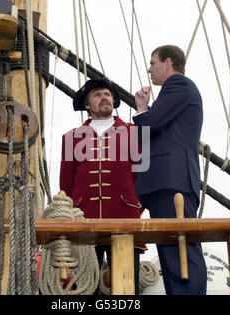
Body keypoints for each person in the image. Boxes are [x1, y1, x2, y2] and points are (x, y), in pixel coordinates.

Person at [60, 78, 146, 294]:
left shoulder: (133, 132)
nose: (105, 97)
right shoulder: (71, 138)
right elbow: (65, 184)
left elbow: (143, 176)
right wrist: (74, 211)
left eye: (107, 94)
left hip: (125, 217)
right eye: (98, 95)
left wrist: (135, 206)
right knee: (85, 288)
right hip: (84, 220)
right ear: (87, 104)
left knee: (126, 288)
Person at [133, 45, 207, 295]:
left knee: (181, 248)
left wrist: (143, 112)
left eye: (152, 63)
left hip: (171, 181)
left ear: (167, 63)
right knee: (171, 251)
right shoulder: (174, 93)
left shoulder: (178, 85)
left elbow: (151, 126)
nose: (149, 69)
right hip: (166, 181)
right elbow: (151, 131)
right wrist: (144, 110)